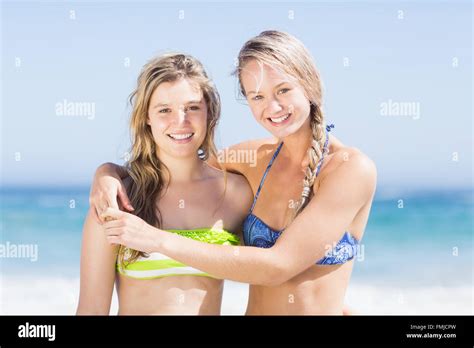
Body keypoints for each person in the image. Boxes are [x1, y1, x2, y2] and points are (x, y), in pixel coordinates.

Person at [94, 31, 377, 315]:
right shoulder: (251, 160)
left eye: (283, 90)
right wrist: (108, 173)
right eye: (257, 96)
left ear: (310, 84)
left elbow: (278, 266)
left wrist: (155, 239)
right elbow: (181, 168)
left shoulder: (349, 169)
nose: (273, 107)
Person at [76, 53, 252, 315]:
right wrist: (105, 172)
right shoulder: (117, 198)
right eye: (164, 110)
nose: (180, 121)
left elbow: (275, 270)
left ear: (209, 112)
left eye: (192, 107)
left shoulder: (237, 193)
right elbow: (91, 310)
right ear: (146, 117)